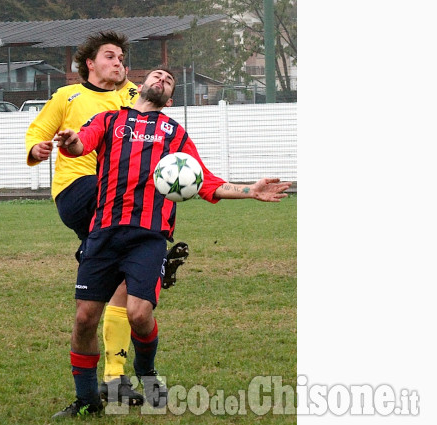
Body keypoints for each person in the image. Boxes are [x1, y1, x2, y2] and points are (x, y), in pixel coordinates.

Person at [51, 66, 292, 419]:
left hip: (148, 237)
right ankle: (87, 400)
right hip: (103, 233)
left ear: (171, 97)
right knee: (85, 318)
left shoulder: (175, 135)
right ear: (140, 86)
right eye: (157, 76)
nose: (161, 80)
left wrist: (248, 191)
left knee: (139, 313)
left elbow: (205, 181)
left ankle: (147, 376)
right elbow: (79, 145)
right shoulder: (109, 120)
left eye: (168, 80)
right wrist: (71, 142)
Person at [25, 31, 188, 407]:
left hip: (115, 205)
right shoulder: (68, 96)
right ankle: (150, 257)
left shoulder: (132, 94)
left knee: (123, 285)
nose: (120, 64)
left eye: (122, 58)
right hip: (78, 188)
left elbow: (154, 111)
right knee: (134, 225)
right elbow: (37, 131)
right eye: (111, 57)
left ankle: (115, 378)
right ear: (90, 63)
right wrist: (38, 148)